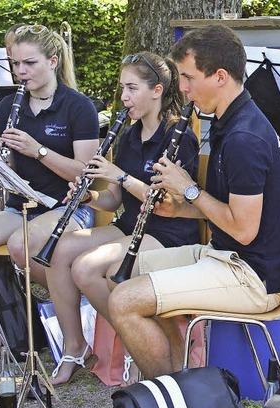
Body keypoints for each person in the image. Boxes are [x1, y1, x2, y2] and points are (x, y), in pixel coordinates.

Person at [107, 24, 280, 379]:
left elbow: (243, 229)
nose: (182, 88)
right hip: (224, 254)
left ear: (221, 77)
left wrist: (190, 190)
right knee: (120, 273)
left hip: (251, 275)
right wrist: (182, 207)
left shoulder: (244, 137)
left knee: (123, 301)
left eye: (188, 77)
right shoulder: (228, 121)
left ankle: (168, 395)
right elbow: (229, 208)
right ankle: (178, 373)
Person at [43, 51, 200, 386]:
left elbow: (169, 202)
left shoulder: (179, 136)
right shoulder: (129, 135)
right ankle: (88, 343)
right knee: (60, 250)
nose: (124, 97)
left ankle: (139, 335)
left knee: (86, 269)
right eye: (123, 89)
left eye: (132, 88)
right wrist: (89, 196)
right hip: (132, 225)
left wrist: (120, 175)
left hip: (169, 231)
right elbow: (115, 199)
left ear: (156, 91)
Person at [0, 24, 99, 371]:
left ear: (52, 61)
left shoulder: (78, 107)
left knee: (26, 245)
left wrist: (38, 150)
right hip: (22, 203)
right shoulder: (10, 105)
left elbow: (87, 174)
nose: (21, 72)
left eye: (29, 63)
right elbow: (8, 163)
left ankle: (81, 303)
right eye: (16, 64)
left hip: (67, 206)